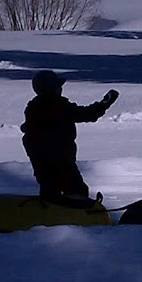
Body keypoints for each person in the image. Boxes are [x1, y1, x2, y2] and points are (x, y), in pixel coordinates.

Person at [20, 68, 117, 205]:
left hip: (41, 161)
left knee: (50, 189)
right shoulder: (59, 106)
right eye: (58, 87)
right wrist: (104, 104)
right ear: (53, 89)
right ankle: (75, 218)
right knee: (77, 190)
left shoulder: (33, 107)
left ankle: (49, 213)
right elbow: (86, 114)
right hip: (60, 160)